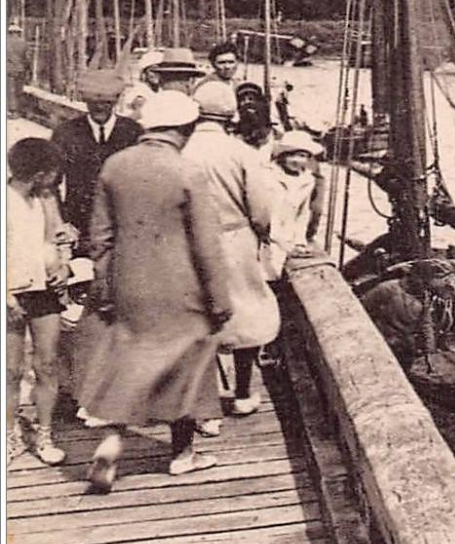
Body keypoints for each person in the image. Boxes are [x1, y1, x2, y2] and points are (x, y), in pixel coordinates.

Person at [78, 91, 234, 490]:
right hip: (183, 289)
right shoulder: (187, 171)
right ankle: (183, 454)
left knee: (129, 359)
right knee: (191, 365)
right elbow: (206, 244)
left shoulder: (115, 166)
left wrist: (106, 284)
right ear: (185, 129)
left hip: (130, 282)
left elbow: (100, 236)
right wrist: (220, 299)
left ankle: (112, 441)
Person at [185, 80, 281, 419]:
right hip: (234, 238)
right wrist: (263, 234)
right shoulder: (240, 152)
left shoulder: (181, 149)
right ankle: (242, 392)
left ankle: (204, 399)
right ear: (230, 114)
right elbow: (261, 209)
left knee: (200, 315)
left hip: (191, 241)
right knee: (246, 311)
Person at [6, 139, 74, 467]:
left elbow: (56, 239)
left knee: (47, 365)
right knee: (10, 369)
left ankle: (45, 433)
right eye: (52, 174)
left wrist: (62, 265)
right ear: (39, 174)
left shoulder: (46, 199)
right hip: (11, 294)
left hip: (43, 290)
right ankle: (9, 434)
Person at [51, 70, 142, 248]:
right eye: (93, 103)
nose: (100, 108)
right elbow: (51, 183)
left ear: (116, 100)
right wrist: (61, 221)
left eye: (106, 103)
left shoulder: (133, 132)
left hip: (122, 227)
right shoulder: (66, 133)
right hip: (78, 228)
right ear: (85, 101)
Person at [262, 130, 325, 280]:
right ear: (282, 157)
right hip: (266, 237)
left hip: (288, 237)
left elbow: (303, 213)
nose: (297, 160)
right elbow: (265, 213)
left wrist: (299, 241)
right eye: (292, 155)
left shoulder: (308, 180)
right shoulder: (267, 176)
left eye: (302, 156)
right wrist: (279, 240)